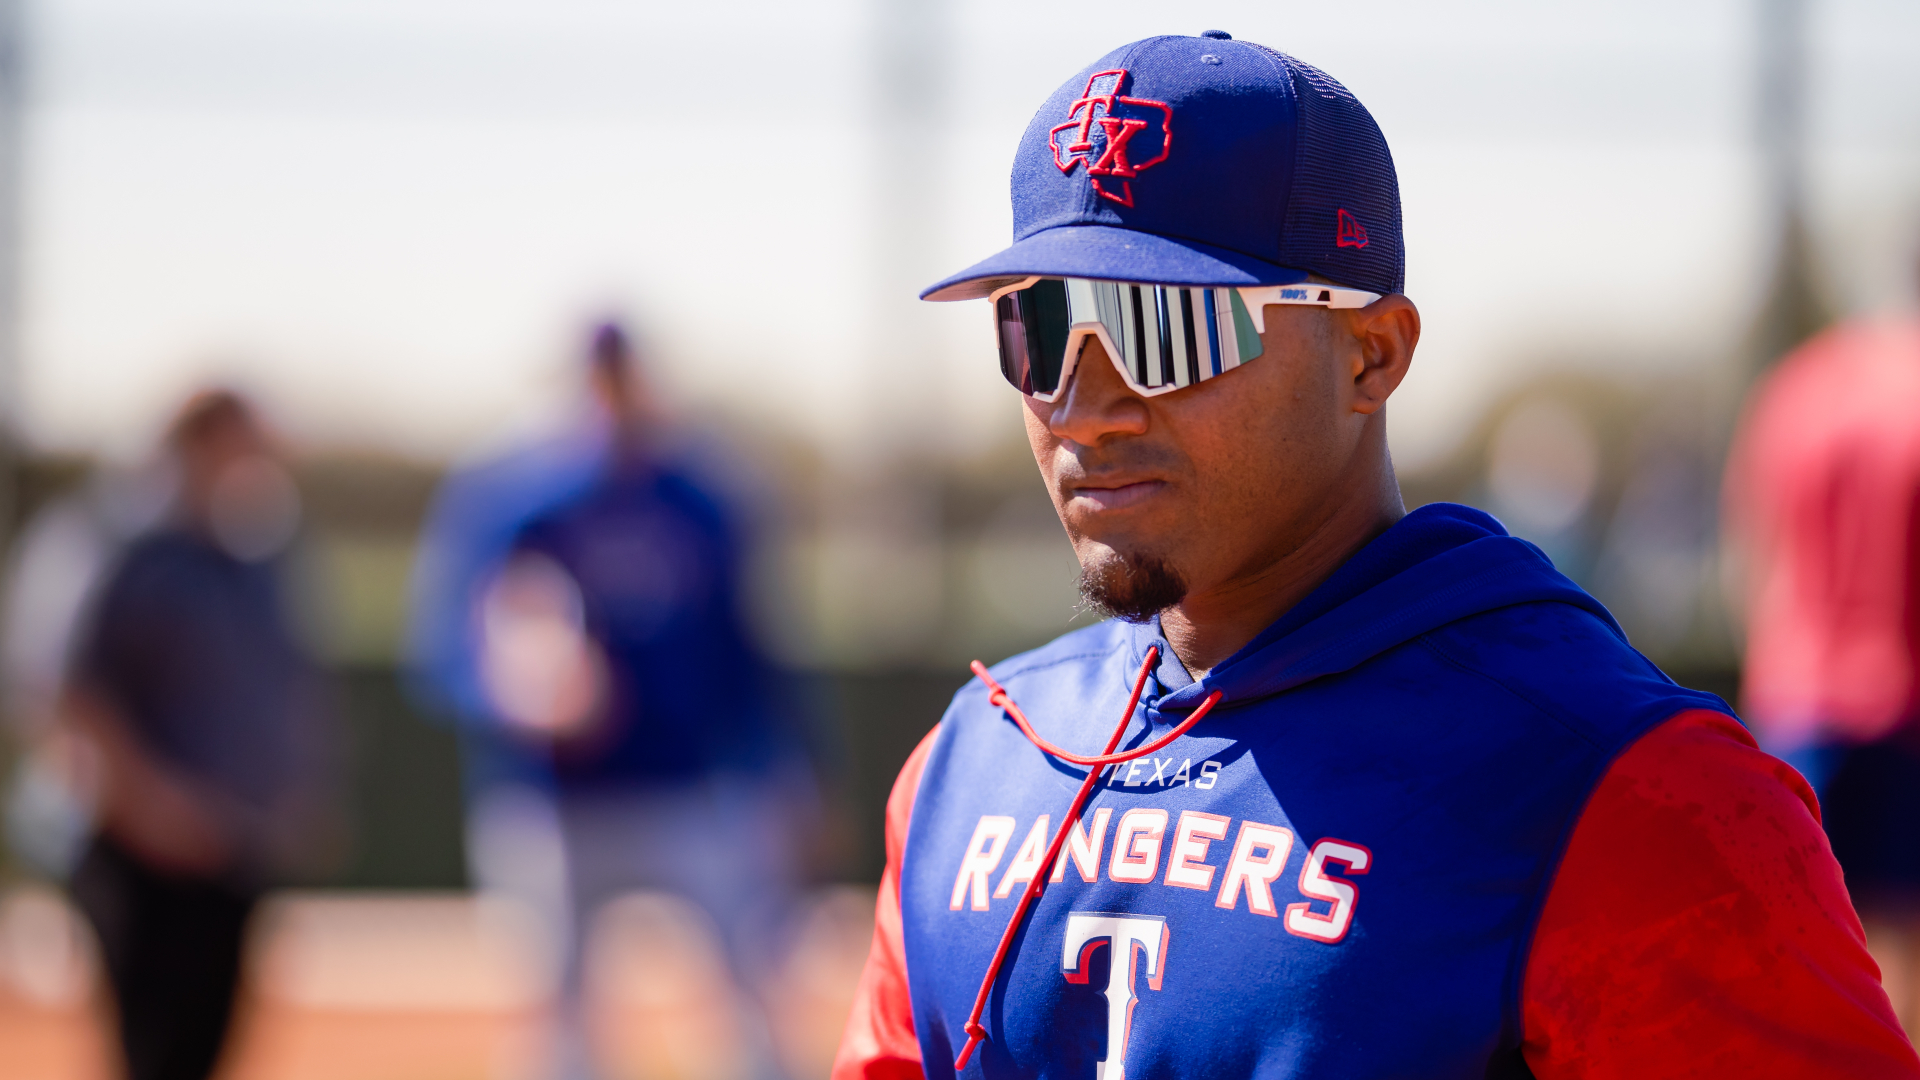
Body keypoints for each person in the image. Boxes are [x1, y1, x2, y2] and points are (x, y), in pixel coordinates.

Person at [832, 32, 1919, 1080]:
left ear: (1371, 354)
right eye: (1039, 326)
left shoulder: (1623, 787)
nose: (1088, 407)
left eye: (1165, 328)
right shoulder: (969, 765)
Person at [408, 322, 812, 1080]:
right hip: (551, 802)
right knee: (557, 1023)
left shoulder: (701, 497)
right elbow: (445, 645)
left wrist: (787, 776)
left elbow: (753, 652)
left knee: (754, 1004)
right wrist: (509, 692)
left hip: (688, 791)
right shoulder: (510, 498)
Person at [62, 389, 337, 1080]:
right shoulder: (117, 547)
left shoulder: (259, 554)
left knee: (209, 1049)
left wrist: (297, 794)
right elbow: (69, 695)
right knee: (154, 1052)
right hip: (142, 858)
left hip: (234, 849)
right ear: (195, 444)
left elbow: (278, 691)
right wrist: (152, 806)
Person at [1723, 306, 1920, 1034]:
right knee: (1896, 966)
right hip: (1899, 703)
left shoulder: (1793, 389)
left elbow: (1750, 550)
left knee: (1799, 957)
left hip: (1793, 704)